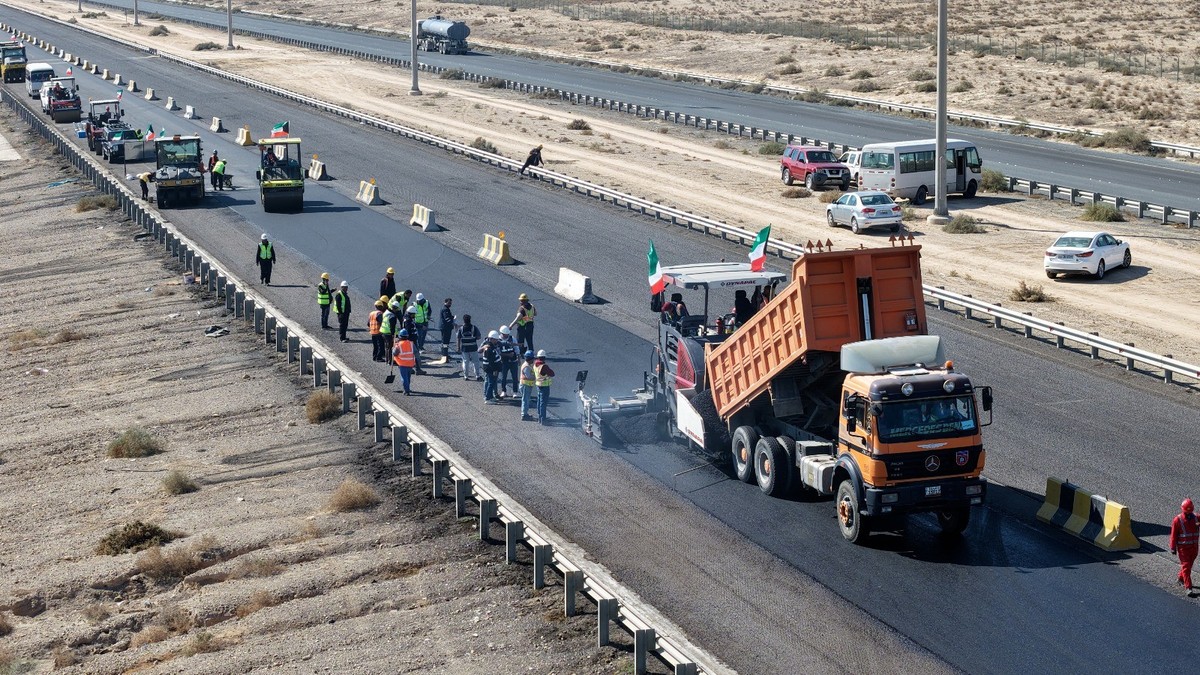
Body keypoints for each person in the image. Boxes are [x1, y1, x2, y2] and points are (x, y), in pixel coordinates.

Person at [1170, 498, 1199, 593]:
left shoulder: (1196, 518)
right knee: (1186, 567)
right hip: (1183, 549)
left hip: (1194, 548)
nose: (1189, 514)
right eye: (1187, 512)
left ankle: (1181, 578)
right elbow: (1173, 535)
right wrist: (1173, 547)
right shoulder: (1177, 520)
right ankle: (1188, 587)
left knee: (1188, 566)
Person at [457, 314, 482, 380]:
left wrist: (458, 348)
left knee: (465, 362)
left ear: (464, 320)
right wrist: (474, 338)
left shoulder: (461, 328)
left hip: (464, 348)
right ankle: (477, 376)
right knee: (476, 362)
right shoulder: (474, 327)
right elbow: (479, 337)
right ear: (470, 320)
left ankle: (466, 376)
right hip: (473, 347)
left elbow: (458, 338)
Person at [392, 329, 417, 396]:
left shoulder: (398, 345)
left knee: (404, 378)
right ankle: (408, 388)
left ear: (400, 336)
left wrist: (393, 347)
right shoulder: (411, 343)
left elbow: (394, 353)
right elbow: (415, 352)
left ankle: (406, 391)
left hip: (402, 364)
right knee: (408, 377)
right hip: (410, 364)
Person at [534, 349, 555, 425]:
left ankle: (539, 418)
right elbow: (552, 373)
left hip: (538, 385)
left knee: (539, 402)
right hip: (544, 386)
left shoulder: (535, 364)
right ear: (544, 357)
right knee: (543, 403)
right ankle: (543, 419)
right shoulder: (544, 366)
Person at [497, 325, 519, 399]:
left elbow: (516, 348)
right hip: (504, 362)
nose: (507, 335)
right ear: (502, 333)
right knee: (503, 377)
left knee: (515, 377)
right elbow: (498, 351)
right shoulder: (498, 340)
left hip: (513, 361)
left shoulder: (512, 339)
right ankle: (504, 391)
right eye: (505, 334)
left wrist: (518, 358)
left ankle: (515, 392)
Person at [480, 331, 502, 402]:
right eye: (495, 339)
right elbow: (491, 362)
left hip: (491, 369)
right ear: (491, 339)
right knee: (491, 383)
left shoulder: (490, 347)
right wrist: (495, 369)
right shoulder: (489, 349)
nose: (496, 341)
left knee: (491, 382)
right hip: (491, 369)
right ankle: (488, 398)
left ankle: (490, 396)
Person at [519, 350, 537, 421]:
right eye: (533, 358)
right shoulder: (526, 367)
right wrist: (536, 376)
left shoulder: (528, 365)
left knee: (526, 399)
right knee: (525, 400)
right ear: (530, 359)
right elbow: (529, 376)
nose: (534, 360)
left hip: (526, 385)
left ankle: (525, 413)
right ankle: (524, 414)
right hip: (525, 385)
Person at [380, 296, 398, 362]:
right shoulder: (392, 316)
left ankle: (387, 360)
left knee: (387, 347)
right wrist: (393, 334)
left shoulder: (386, 312)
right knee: (390, 347)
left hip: (383, 332)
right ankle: (390, 361)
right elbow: (392, 326)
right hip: (388, 333)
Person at [368, 298, 386, 362]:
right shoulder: (379, 313)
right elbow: (381, 323)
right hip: (378, 332)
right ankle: (379, 358)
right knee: (380, 345)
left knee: (375, 346)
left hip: (373, 332)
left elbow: (368, 323)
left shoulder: (371, 313)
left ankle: (374, 357)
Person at [438, 298, 455, 363]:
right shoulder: (445, 309)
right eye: (449, 303)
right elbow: (447, 319)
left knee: (445, 342)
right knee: (445, 342)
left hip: (445, 327)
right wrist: (453, 322)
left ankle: (445, 354)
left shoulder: (445, 309)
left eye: (451, 303)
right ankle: (445, 355)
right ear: (445, 302)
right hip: (446, 328)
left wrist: (452, 317)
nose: (450, 304)